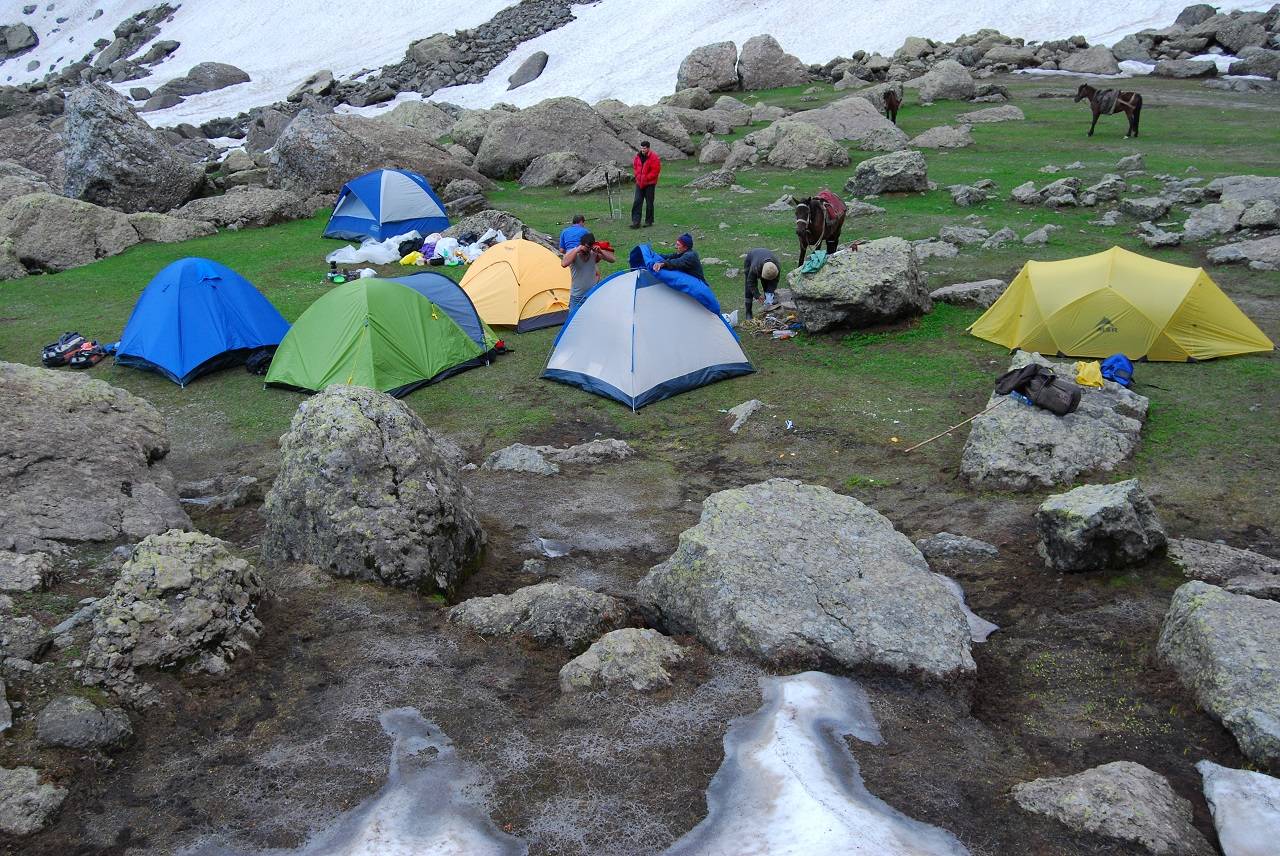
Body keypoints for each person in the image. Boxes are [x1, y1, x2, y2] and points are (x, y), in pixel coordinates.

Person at [561, 231, 615, 313]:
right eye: (585, 248)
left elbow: (612, 260)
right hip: (577, 296)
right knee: (573, 319)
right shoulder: (573, 253)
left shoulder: (593, 253)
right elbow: (564, 264)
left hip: (591, 294)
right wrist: (576, 250)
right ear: (581, 245)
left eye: (589, 249)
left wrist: (601, 251)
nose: (587, 252)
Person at [629, 141, 661, 229]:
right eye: (642, 148)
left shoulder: (654, 157)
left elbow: (656, 171)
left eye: (644, 148)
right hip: (639, 183)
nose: (643, 149)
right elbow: (635, 167)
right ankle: (636, 222)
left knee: (649, 202)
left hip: (649, 184)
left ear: (648, 148)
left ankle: (649, 221)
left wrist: (646, 178)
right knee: (637, 201)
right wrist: (637, 176)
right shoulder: (638, 156)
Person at [743, 248, 781, 319]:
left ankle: (767, 307)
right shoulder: (755, 267)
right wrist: (757, 295)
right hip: (751, 258)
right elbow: (751, 282)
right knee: (748, 289)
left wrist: (770, 293)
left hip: (763, 262)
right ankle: (748, 312)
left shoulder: (776, 267)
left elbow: (774, 281)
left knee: (767, 286)